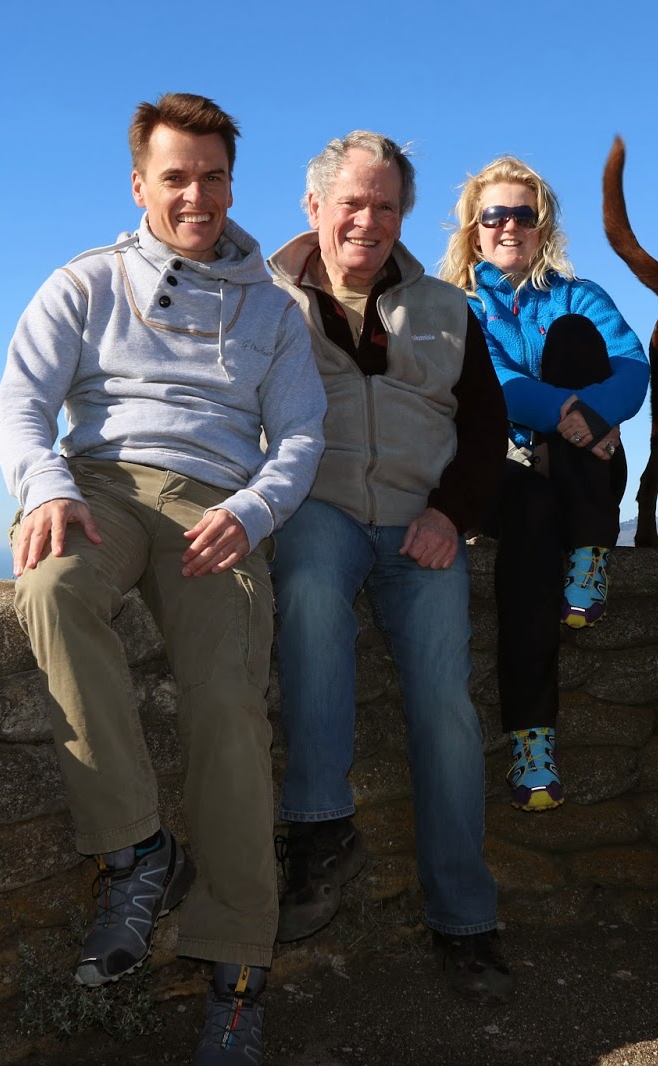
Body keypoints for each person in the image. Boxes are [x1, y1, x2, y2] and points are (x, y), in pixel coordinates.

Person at [0, 92, 327, 1063]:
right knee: (51, 589)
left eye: (213, 177)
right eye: (175, 177)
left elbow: (300, 436)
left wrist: (253, 511)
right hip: (97, 485)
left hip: (215, 505)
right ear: (139, 184)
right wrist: (46, 485)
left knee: (228, 707)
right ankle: (139, 850)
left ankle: (237, 974)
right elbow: (22, 401)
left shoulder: (273, 308)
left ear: (233, 183)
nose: (196, 196)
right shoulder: (85, 282)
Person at [265, 132, 514, 1002]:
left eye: (385, 205)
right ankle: (319, 830)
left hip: (423, 520)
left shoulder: (447, 307)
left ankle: (465, 921)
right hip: (317, 505)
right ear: (315, 208)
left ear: (403, 214)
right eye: (351, 203)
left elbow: (485, 427)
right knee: (306, 596)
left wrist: (452, 513)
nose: (367, 221)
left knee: (446, 705)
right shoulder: (262, 299)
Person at [439, 156, 647, 811]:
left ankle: (589, 552)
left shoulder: (578, 294)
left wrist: (592, 415)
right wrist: (569, 413)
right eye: (494, 215)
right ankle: (533, 743)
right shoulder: (456, 305)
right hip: (501, 469)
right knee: (530, 514)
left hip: (586, 464)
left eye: (523, 216)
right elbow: (493, 380)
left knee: (576, 337)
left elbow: (632, 367)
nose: (509, 226)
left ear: (542, 227)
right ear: (473, 229)